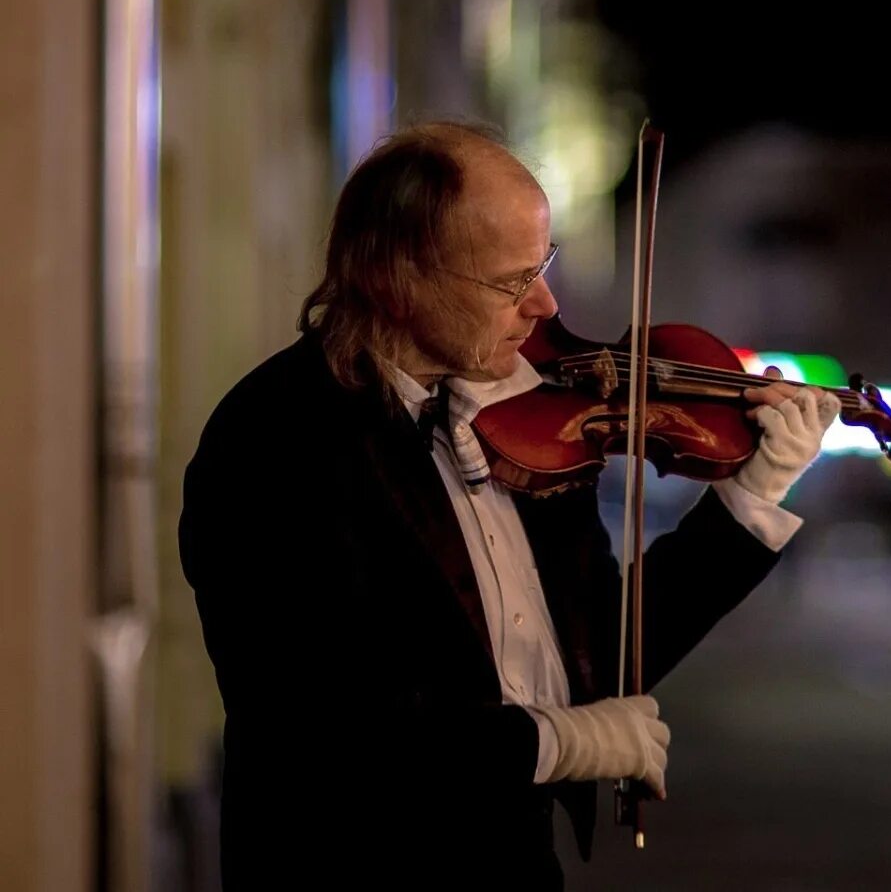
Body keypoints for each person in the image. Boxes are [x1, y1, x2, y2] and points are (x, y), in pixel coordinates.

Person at [177, 122, 840, 890]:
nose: (545, 305)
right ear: (399, 278)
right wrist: (557, 745)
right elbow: (330, 732)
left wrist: (748, 500)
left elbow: (600, 648)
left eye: (543, 265)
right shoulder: (276, 440)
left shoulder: (526, 424)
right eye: (510, 282)